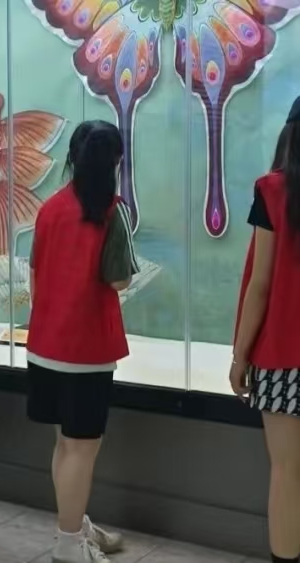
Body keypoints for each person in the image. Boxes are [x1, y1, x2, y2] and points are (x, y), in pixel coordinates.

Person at [27, 120, 139, 563]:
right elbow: (120, 279)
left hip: (45, 345)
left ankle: (73, 525)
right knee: (82, 449)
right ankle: (70, 542)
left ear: (73, 157)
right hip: (87, 350)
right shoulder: (112, 213)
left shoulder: (49, 208)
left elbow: (34, 276)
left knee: (64, 444)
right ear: (116, 162)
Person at [231, 96, 300, 563]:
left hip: (282, 356)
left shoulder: (273, 191)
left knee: (286, 471)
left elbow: (261, 285)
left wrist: (240, 356)